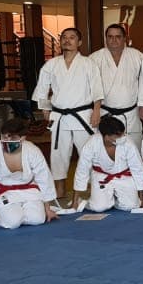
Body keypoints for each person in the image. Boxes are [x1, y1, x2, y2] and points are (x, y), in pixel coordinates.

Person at [33, 26, 103, 202]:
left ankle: (93, 186)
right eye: (64, 37)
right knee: (58, 153)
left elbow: (97, 89)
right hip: (60, 116)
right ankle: (60, 188)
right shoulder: (51, 64)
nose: (67, 40)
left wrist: (96, 110)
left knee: (89, 151)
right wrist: (45, 109)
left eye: (72, 37)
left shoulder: (88, 64)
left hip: (83, 115)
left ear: (79, 42)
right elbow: (42, 88)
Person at [0, 118, 58, 230]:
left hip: (28, 189)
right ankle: (7, 217)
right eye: (4, 137)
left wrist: (48, 208)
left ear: (23, 138)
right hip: (3, 191)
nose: (8, 141)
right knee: (13, 222)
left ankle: (20, 212)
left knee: (37, 219)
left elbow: (44, 178)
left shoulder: (32, 150)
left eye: (13, 138)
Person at [72, 115, 143, 212]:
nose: (122, 137)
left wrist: (141, 198)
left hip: (123, 176)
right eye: (118, 135)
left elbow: (138, 169)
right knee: (98, 207)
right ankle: (94, 201)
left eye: (123, 133)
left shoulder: (128, 143)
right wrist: (75, 201)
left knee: (131, 206)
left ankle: (114, 198)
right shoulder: (92, 144)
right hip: (101, 176)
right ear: (107, 137)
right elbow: (82, 170)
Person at [90, 23, 143, 149]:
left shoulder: (137, 56)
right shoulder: (94, 58)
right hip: (105, 113)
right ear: (106, 39)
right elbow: (89, 87)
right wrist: (95, 110)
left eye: (118, 37)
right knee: (106, 151)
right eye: (110, 37)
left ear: (124, 38)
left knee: (134, 150)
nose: (114, 40)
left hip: (131, 115)